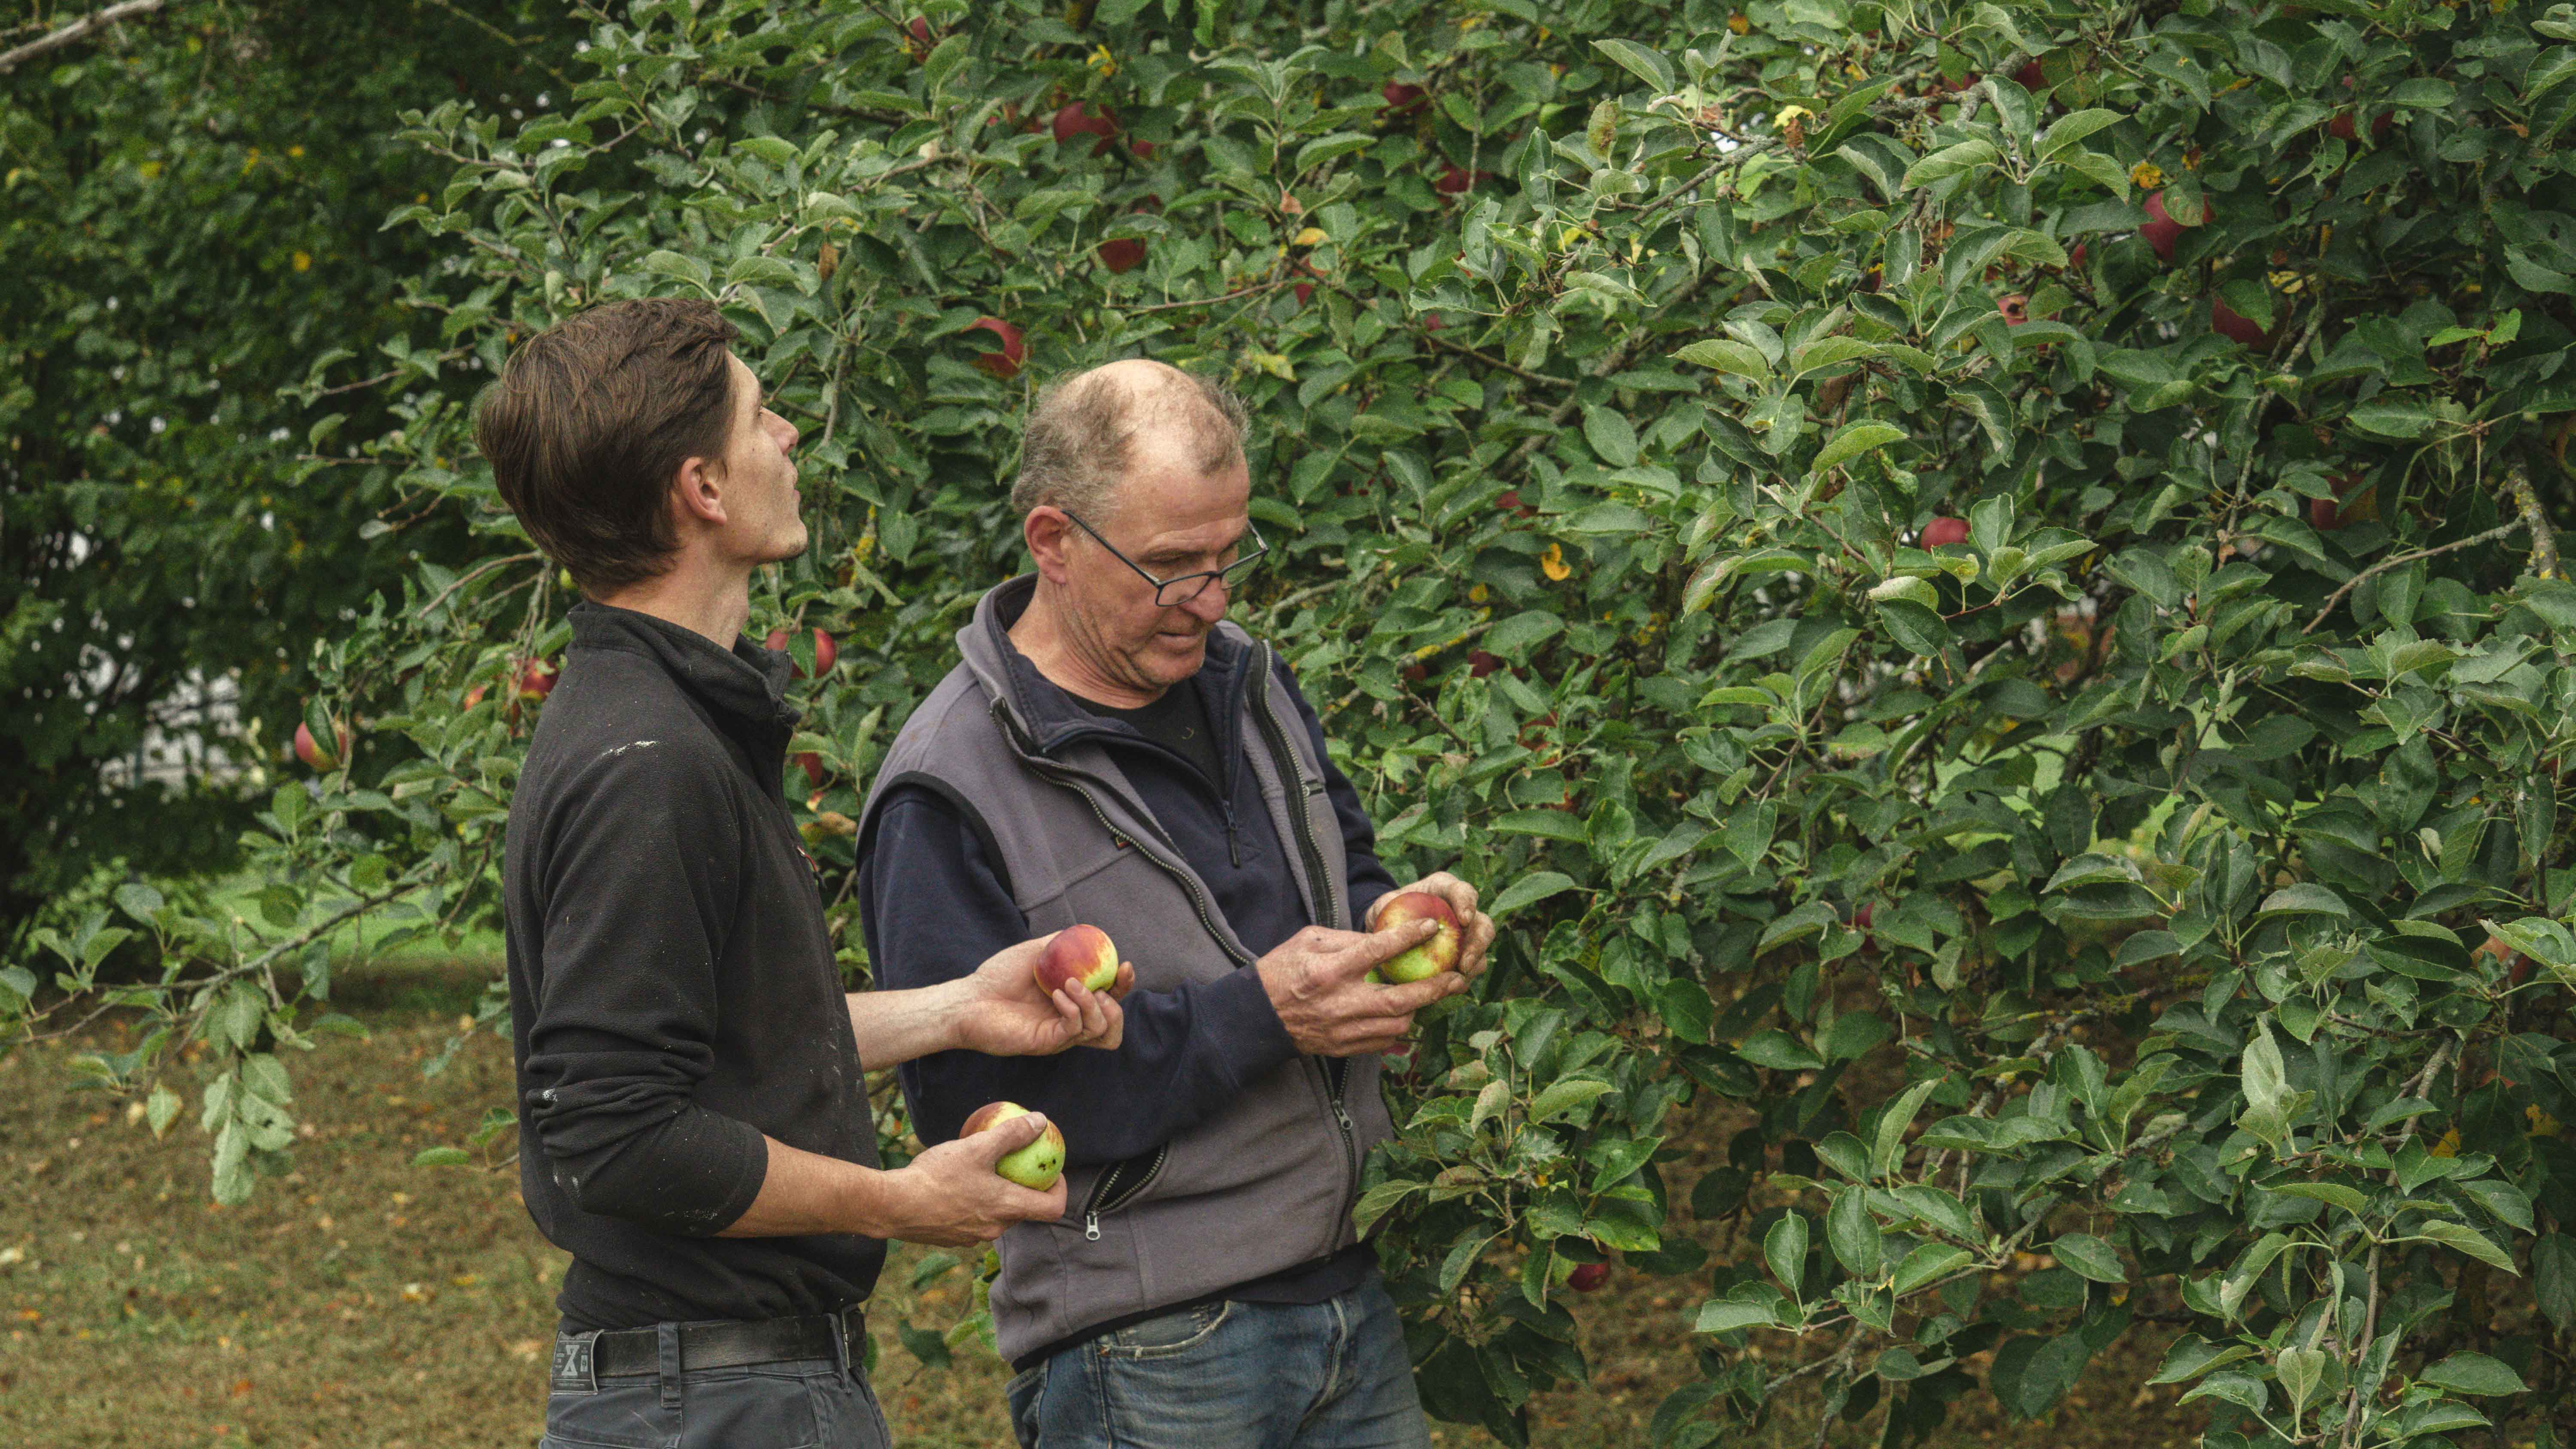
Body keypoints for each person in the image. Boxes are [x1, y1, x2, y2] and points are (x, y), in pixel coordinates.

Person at [479, 296, 1135, 1449]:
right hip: (722, 1404)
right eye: (758, 414)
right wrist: (900, 1198)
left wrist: (956, 1011)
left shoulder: (665, 723)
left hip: (719, 1393)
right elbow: (619, 1135)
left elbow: (714, 1047)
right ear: (705, 491)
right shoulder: (651, 762)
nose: (789, 433)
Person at [854, 358, 1500, 1449]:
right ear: (1053, 542)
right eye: (1168, 565)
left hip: (1347, 1290)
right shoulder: (947, 786)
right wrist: (1264, 1014)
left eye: (1226, 556)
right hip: (1148, 1339)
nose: (1208, 597)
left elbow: (1345, 864)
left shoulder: (1246, 678)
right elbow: (970, 1106)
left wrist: (1407, 918)